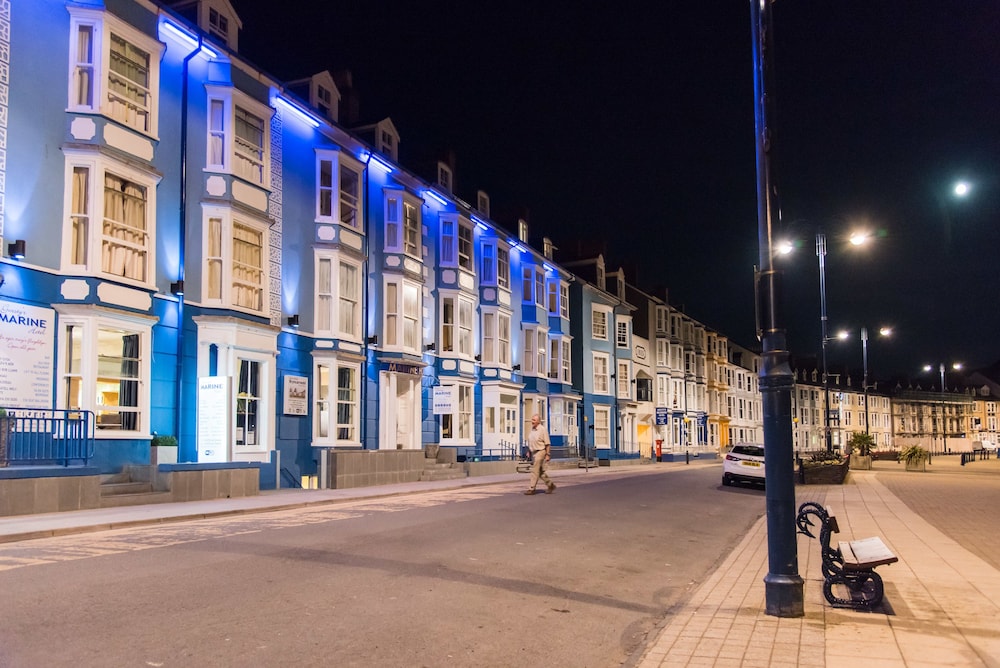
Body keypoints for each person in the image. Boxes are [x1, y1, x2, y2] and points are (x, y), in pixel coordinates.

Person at [524, 413, 556, 495]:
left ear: (538, 421)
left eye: (534, 420)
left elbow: (547, 443)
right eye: (532, 419)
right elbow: (531, 441)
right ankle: (550, 485)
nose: (532, 421)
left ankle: (532, 488)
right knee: (540, 471)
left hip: (541, 451)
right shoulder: (532, 430)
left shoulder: (542, 430)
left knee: (535, 470)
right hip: (533, 452)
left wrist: (548, 454)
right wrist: (529, 451)